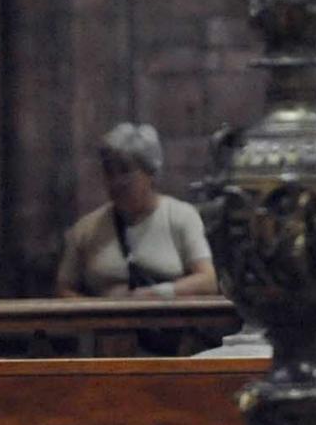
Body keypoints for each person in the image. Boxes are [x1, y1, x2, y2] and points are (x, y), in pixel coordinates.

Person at [55, 123, 217, 299]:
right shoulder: (86, 230)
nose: (116, 181)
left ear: (151, 172)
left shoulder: (181, 217)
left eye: (125, 171)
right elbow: (63, 289)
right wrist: (98, 313)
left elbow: (208, 281)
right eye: (110, 172)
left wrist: (155, 294)